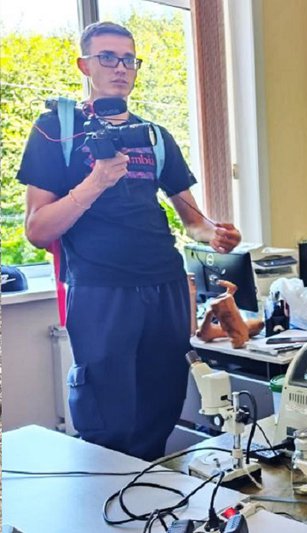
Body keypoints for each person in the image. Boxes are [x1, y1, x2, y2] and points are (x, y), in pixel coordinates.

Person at [16, 21, 241, 461]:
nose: (120, 68)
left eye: (128, 60)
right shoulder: (55, 130)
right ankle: (108, 500)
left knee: (163, 406)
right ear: (84, 65)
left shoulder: (154, 136)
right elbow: (38, 229)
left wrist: (214, 234)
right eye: (107, 57)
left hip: (165, 284)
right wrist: (96, 182)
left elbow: (192, 221)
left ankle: (151, 494)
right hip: (100, 289)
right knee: (107, 417)